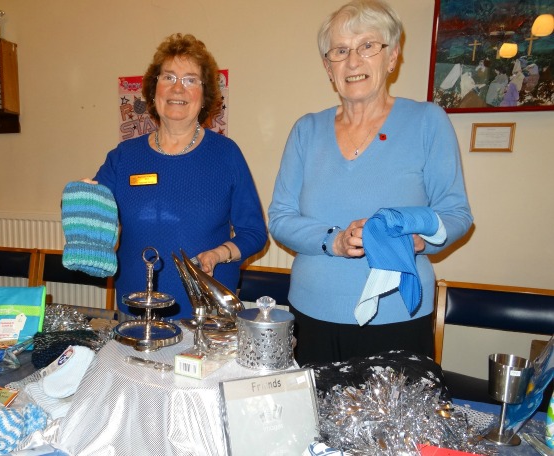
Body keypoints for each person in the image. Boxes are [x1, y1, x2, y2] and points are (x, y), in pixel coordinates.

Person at [268, 0, 473, 366]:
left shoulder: (427, 121)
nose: (353, 61)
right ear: (328, 68)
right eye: (340, 51)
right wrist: (335, 240)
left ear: (392, 57)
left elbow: (456, 214)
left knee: (395, 424)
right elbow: (281, 218)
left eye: (367, 46)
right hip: (312, 313)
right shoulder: (306, 130)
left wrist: (417, 241)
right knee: (314, 422)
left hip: (398, 315)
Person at [90, 33, 267, 321]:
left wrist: (220, 253)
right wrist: (80, 201)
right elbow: (95, 216)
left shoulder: (226, 154)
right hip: (136, 310)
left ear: (204, 93)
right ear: (153, 88)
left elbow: (255, 234)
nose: (177, 89)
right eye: (168, 77)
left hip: (206, 314)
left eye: (190, 80)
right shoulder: (124, 156)